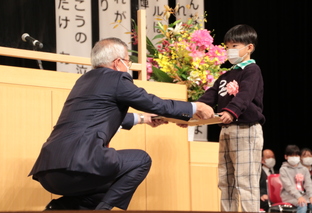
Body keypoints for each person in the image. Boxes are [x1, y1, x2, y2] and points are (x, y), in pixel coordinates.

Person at [28, 37, 215, 211]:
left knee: (105, 189)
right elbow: (154, 103)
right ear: (118, 62)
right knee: (141, 160)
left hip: (49, 171)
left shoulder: (83, 81)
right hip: (80, 164)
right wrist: (193, 106)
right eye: (128, 61)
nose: (129, 66)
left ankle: (57, 208)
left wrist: (144, 119)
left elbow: (99, 117)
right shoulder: (116, 78)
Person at [197, 24, 264, 212]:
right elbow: (208, 97)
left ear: (248, 47)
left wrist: (231, 111)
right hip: (226, 130)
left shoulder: (252, 70)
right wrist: (190, 113)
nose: (230, 50)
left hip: (246, 129)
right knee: (225, 180)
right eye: (228, 46)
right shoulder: (226, 75)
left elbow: (245, 95)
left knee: (246, 180)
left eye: (234, 46)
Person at [279, 145, 312, 213]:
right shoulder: (283, 169)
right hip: (289, 196)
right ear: (286, 157)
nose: (294, 158)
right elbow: (288, 186)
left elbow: (308, 185)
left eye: (296, 156)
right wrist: (299, 197)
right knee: (302, 205)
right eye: (291, 156)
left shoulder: (304, 169)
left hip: (304, 196)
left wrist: (311, 196)